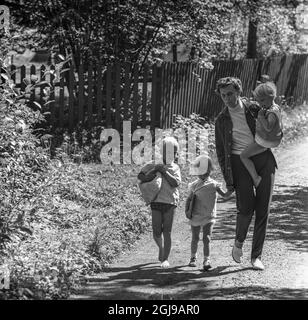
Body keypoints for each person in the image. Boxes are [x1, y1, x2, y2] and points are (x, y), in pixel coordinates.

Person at [215, 77, 277, 271]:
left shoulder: (253, 108)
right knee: (246, 208)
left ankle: (256, 257)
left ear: (239, 91)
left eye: (230, 94)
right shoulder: (221, 120)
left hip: (264, 159)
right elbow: (220, 152)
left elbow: (273, 123)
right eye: (223, 95)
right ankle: (239, 242)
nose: (227, 98)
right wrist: (229, 181)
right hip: (238, 163)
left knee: (263, 210)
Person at [137, 136, 181, 268]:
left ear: (175, 153)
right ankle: (161, 248)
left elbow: (176, 183)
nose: (169, 155)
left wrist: (164, 172)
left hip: (170, 202)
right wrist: (152, 173)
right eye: (166, 152)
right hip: (156, 201)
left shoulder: (175, 167)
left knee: (167, 231)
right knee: (156, 231)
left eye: (172, 152)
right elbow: (141, 176)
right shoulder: (153, 164)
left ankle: (165, 259)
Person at [186, 155, 232, 271]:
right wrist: (187, 211)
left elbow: (225, 195)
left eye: (206, 170)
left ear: (210, 170)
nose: (204, 173)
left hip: (209, 216)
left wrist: (232, 189)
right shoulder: (194, 185)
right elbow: (189, 199)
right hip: (196, 215)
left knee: (207, 238)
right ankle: (193, 257)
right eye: (201, 170)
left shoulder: (214, 184)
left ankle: (207, 260)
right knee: (195, 238)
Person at [240, 82, 283, 187]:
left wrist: (260, 116)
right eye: (258, 101)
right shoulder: (275, 107)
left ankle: (256, 178)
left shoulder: (271, 113)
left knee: (244, 156)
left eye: (262, 100)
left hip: (266, 141)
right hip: (274, 138)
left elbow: (268, 127)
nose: (260, 104)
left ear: (272, 97)